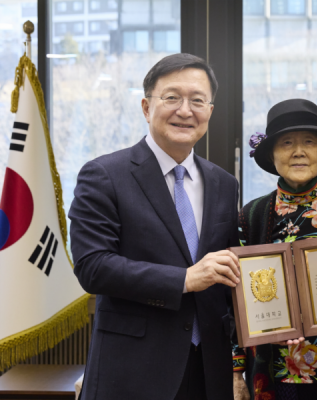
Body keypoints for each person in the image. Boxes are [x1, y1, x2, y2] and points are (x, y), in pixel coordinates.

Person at [69, 53, 243, 400]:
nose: (185, 110)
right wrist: (185, 279)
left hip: (209, 370)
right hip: (133, 371)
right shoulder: (104, 175)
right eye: (172, 97)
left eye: (197, 100)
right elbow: (93, 267)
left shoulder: (224, 183)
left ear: (209, 111)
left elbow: (228, 277)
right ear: (147, 107)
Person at [234, 99, 317, 400]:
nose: (298, 151)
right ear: (271, 154)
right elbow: (234, 298)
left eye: (309, 141)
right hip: (273, 368)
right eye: (287, 143)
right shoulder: (252, 214)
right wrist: (236, 369)